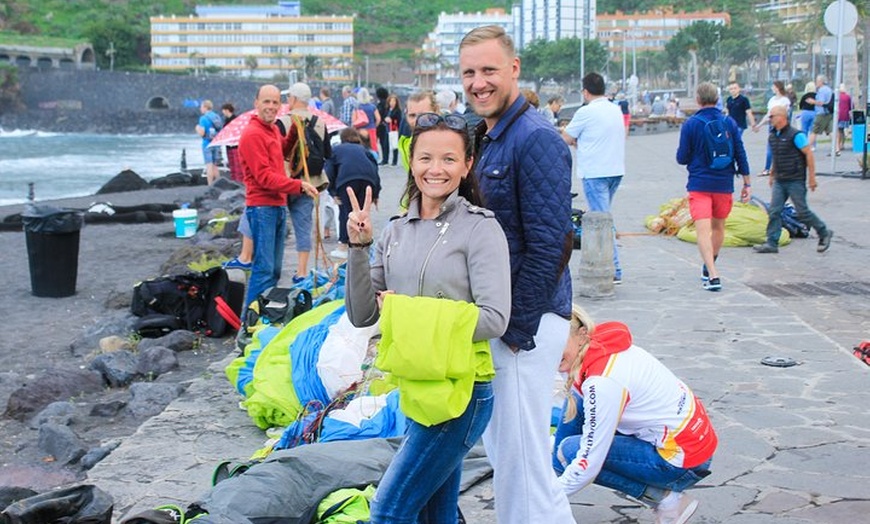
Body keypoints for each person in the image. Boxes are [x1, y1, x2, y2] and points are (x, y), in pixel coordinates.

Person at [343, 112, 510, 523]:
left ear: (467, 164)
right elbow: (362, 314)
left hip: (463, 394)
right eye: (426, 158)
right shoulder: (396, 231)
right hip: (419, 391)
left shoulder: (480, 230)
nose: (436, 169)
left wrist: (404, 312)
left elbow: (494, 318)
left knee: (387, 510)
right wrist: (358, 248)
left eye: (449, 159)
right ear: (411, 162)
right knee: (436, 515)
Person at [459, 25, 576, 524]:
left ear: (513, 69)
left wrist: (515, 329)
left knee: (521, 459)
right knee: (512, 455)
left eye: (488, 70)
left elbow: (554, 242)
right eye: (469, 72)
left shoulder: (536, 139)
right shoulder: (484, 135)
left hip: (524, 322)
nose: (478, 82)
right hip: (501, 319)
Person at [553, 305, 717, 524]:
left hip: (683, 460)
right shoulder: (599, 346)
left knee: (569, 451)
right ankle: (552, 480)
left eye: (558, 341)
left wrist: (543, 504)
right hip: (693, 440)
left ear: (582, 335)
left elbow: (589, 462)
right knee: (571, 417)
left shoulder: (602, 382)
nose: (550, 351)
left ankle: (668, 501)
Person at [238, 84, 318, 308]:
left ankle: (261, 316)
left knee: (273, 270)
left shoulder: (272, 129)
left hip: (277, 206)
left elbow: (281, 150)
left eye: (275, 102)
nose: (271, 107)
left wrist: (295, 130)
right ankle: (248, 322)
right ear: (256, 103)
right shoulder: (253, 134)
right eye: (266, 101)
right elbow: (264, 178)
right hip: (262, 208)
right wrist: (298, 185)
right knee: (263, 269)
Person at [676, 82, 751, 292]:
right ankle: (710, 266)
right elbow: (740, 153)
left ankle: (713, 274)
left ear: (698, 100)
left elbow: (681, 158)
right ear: (717, 100)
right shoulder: (729, 123)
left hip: (699, 184)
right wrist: (747, 182)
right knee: (718, 228)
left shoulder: (691, 124)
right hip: (724, 184)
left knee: (702, 230)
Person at [561, 72, 626, 284]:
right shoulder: (615, 109)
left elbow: (566, 138)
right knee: (605, 218)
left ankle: (614, 269)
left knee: (601, 221)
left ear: (585, 92)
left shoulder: (585, 112)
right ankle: (612, 266)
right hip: (615, 169)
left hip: (595, 173)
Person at [752, 105, 833, 254]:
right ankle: (772, 242)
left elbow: (808, 154)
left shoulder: (796, 135)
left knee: (802, 212)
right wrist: (772, 175)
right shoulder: (773, 136)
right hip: (780, 180)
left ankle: (823, 231)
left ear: (782, 117)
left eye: (772, 116)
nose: (770, 119)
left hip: (795, 180)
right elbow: (777, 156)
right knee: (774, 211)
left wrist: (812, 178)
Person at [275, 82, 330, 282]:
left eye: (288, 97)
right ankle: (302, 271)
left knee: (278, 226)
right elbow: (327, 153)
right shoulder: (320, 122)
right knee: (303, 227)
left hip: (285, 181)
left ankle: (274, 267)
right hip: (310, 182)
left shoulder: (282, 122)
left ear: (293, 99)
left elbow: (277, 152)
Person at [324, 128, 381, 259]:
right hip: (368, 180)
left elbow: (329, 171)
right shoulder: (365, 150)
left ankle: (344, 246)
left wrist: (332, 191)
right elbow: (374, 169)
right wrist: (376, 194)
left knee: (346, 213)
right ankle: (362, 243)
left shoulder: (337, 150)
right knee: (361, 213)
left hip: (347, 180)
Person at [752, 81, 790, 177]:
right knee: (770, 147)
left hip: (781, 125)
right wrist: (759, 125)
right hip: (772, 125)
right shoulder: (772, 99)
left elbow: (784, 113)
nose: (772, 88)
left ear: (778, 87)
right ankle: (767, 168)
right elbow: (768, 114)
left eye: (773, 86)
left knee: (782, 147)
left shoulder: (785, 100)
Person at [397, 90, 439, 171]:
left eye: (423, 115)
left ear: (436, 111)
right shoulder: (405, 141)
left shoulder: (449, 140)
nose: (417, 120)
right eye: (412, 115)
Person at [196, 100, 223, 185]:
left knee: (209, 165)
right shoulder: (217, 117)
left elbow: (202, 133)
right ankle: (220, 184)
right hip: (216, 143)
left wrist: (197, 128)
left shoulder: (203, 118)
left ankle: (210, 185)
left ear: (205, 107)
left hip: (207, 143)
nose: (200, 109)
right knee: (215, 165)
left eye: (201, 107)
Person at [808, 75, 833, 152]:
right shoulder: (829, 90)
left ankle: (807, 148)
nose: (816, 83)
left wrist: (813, 102)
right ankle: (836, 148)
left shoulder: (822, 90)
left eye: (817, 81)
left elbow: (821, 102)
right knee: (830, 131)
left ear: (821, 82)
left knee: (814, 131)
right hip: (828, 113)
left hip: (821, 113)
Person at [357, 88, 381, 161]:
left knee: (361, 145)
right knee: (373, 145)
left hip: (361, 129)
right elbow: (378, 119)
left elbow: (354, 120)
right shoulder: (373, 107)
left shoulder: (358, 107)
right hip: (371, 128)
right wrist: (374, 125)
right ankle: (375, 158)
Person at [383, 94, 403, 166]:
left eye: (394, 101)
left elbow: (399, 120)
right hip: (387, 129)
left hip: (394, 129)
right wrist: (385, 120)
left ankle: (394, 161)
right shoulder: (387, 110)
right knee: (386, 144)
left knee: (394, 145)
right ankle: (385, 159)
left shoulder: (398, 111)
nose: (392, 103)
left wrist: (391, 120)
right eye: (391, 101)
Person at [375, 87, 391, 165]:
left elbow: (379, 114)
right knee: (385, 143)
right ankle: (386, 158)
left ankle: (384, 159)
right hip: (386, 125)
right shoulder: (387, 103)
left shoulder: (380, 104)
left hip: (381, 125)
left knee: (382, 142)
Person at [836, 84, 852, 155]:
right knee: (843, 130)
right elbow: (851, 106)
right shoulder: (848, 97)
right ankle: (842, 144)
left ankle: (838, 145)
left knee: (839, 130)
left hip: (839, 115)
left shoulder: (837, 97)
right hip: (845, 115)